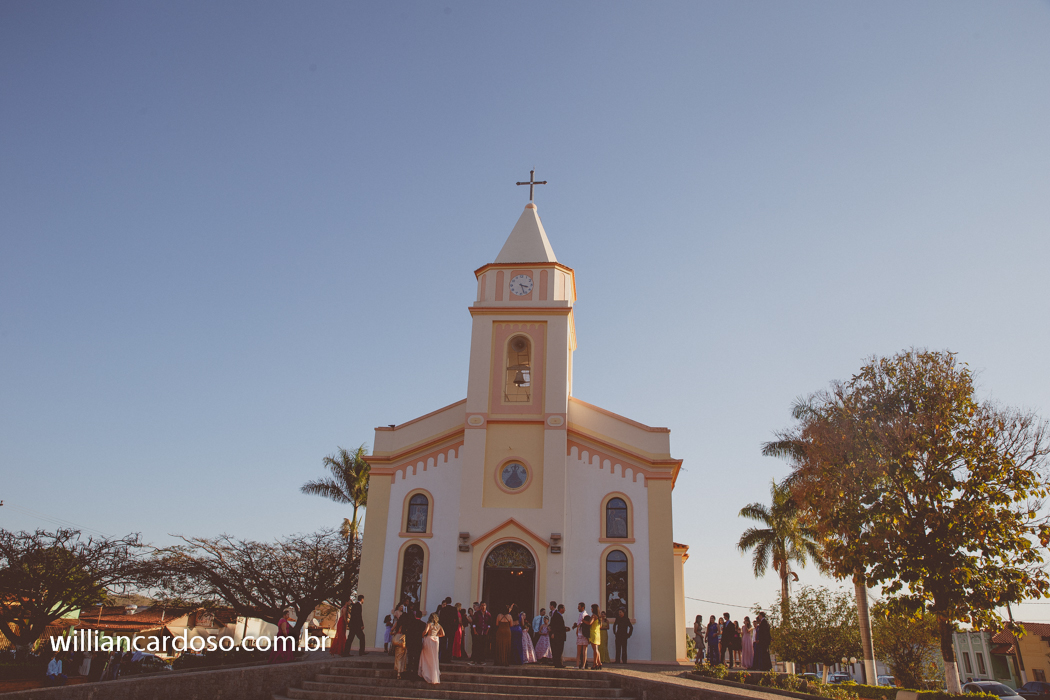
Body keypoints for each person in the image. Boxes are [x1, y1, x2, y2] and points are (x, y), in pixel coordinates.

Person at [420, 613, 444, 684]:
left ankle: (427, 673)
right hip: (436, 640)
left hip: (429, 639)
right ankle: (433, 674)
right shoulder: (439, 625)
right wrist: (437, 635)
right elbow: (443, 634)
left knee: (426, 656)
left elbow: (426, 631)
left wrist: (423, 635)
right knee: (434, 657)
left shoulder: (429, 624)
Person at [404, 610, 426, 680]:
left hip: (411, 643)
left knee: (410, 657)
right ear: (421, 616)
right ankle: (415, 672)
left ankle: (409, 671)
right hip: (418, 643)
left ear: (415, 615)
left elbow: (407, 634)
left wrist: (406, 643)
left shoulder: (410, 623)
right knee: (417, 658)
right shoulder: (423, 624)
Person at [550, 604, 568, 668]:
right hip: (558, 636)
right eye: (564, 608)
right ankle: (558, 663)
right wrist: (553, 633)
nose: (565, 610)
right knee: (558, 649)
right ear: (561, 609)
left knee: (558, 650)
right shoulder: (557, 615)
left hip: (559, 635)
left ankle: (558, 663)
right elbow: (555, 626)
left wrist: (564, 628)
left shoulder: (557, 615)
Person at [391, 615, 408, 679]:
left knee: (398, 657)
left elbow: (392, 629)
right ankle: (400, 671)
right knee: (402, 658)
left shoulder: (397, 623)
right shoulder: (406, 624)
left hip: (397, 641)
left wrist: (395, 633)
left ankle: (398, 671)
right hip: (403, 640)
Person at [572, 603, 588, 669]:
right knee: (584, 651)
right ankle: (583, 665)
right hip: (583, 634)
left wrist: (577, 628)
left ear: (582, 607)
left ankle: (577, 665)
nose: (578, 608)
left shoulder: (583, 615)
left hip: (581, 634)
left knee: (579, 651)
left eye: (579, 607)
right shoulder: (585, 614)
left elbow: (580, 624)